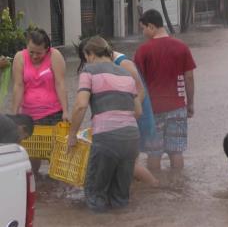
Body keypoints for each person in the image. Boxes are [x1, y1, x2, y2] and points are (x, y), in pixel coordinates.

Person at [67, 36, 141, 212]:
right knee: (121, 197)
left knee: (95, 195)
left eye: (86, 57)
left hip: (107, 139)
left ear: (89, 54)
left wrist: (72, 135)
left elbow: (80, 105)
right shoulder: (126, 73)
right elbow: (138, 111)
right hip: (132, 138)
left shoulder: (89, 71)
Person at [76, 38, 159, 187]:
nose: (88, 63)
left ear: (93, 53)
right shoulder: (106, 63)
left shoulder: (122, 63)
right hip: (124, 115)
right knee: (125, 162)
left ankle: (154, 185)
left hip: (133, 113)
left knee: (131, 163)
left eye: (87, 58)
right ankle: (136, 191)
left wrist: (122, 114)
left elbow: (141, 91)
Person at [134, 9, 196, 170]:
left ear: (151, 26)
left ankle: (155, 190)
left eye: (143, 28)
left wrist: (135, 109)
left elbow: (136, 82)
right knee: (176, 151)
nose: (143, 32)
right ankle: (177, 186)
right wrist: (190, 104)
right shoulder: (182, 47)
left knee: (154, 152)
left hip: (152, 110)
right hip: (177, 107)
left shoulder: (143, 51)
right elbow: (189, 78)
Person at [11, 28, 68, 175]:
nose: (34, 56)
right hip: (30, 116)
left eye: (39, 53)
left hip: (54, 113)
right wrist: (14, 114)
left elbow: (60, 83)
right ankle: (35, 191)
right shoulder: (20, 57)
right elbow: (18, 86)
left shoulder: (55, 55)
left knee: (56, 159)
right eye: (31, 51)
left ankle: (56, 192)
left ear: (47, 49)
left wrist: (66, 111)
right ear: (27, 46)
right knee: (31, 159)